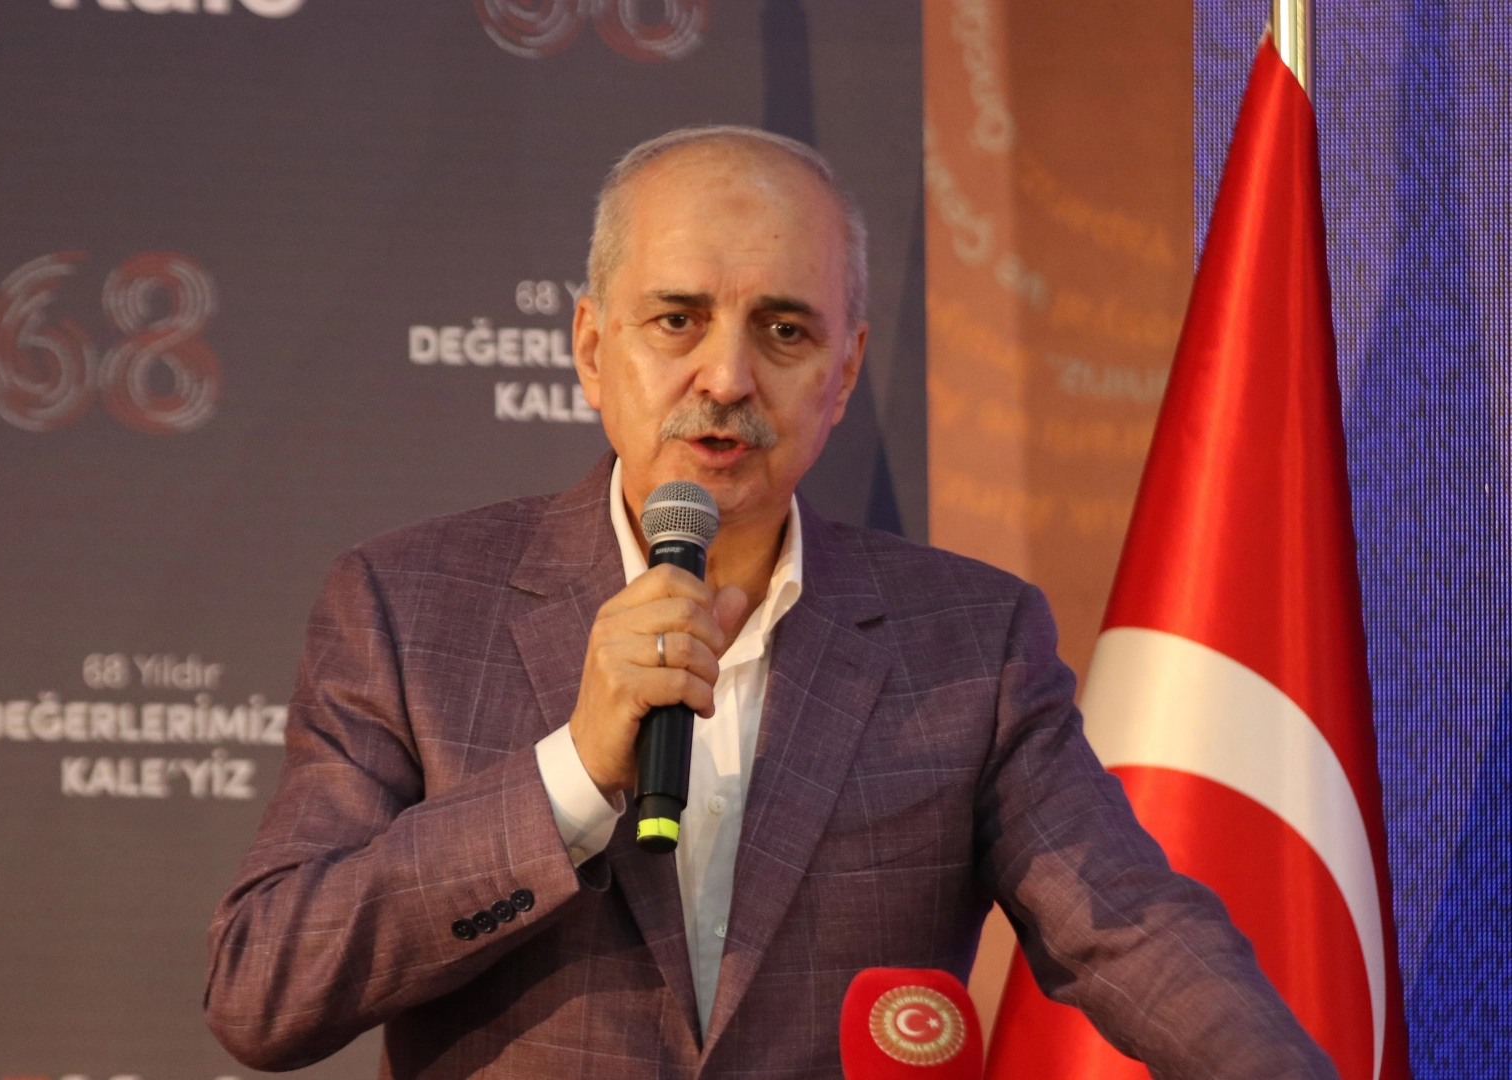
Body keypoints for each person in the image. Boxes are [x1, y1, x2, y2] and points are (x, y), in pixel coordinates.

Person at [204, 126, 1334, 1079]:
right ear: (592, 349)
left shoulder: (970, 641)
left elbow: (1130, 929)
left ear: (843, 373)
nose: (728, 377)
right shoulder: (410, 609)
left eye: (784, 330)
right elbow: (267, 987)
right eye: (677, 320)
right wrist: (572, 776)